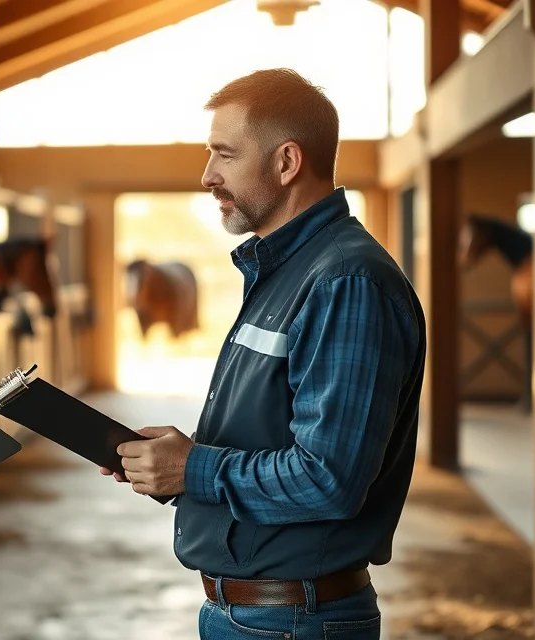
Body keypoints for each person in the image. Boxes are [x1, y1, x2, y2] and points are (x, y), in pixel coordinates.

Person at [100, 68, 427, 639]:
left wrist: (193, 467)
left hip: (291, 621)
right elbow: (270, 436)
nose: (207, 176)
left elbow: (329, 477)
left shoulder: (344, 282)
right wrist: (167, 466)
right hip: (256, 615)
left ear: (286, 162)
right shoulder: (287, 272)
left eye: (223, 155)